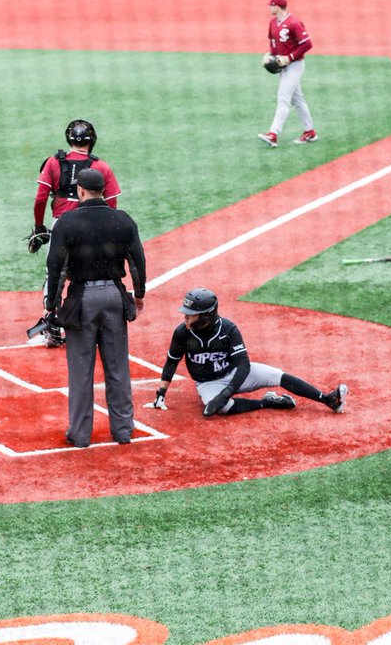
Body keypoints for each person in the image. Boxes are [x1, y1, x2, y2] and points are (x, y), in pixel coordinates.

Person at [45, 168, 146, 447]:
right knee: (117, 367)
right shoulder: (122, 219)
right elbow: (137, 261)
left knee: (81, 370)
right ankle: (123, 430)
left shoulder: (66, 222)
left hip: (82, 302)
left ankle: (80, 435)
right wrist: (138, 295)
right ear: (103, 190)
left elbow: (56, 267)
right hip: (114, 296)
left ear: (79, 191)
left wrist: (51, 305)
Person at [150, 288, 348, 417]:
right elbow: (172, 361)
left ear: (206, 316)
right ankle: (267, 402)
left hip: (236, 374)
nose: (185, 318)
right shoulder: (182, 333)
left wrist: (227, 392)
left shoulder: (228, 329)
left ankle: (328, 400)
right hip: (208, 383)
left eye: (191, 315)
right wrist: (161, 393)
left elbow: (244, 364)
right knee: (220, 408)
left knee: (277, 375)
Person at [29, 119, 122, 347]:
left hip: (62, 226)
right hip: (93, 228)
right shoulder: (101, 166)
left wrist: (40, 226)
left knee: (55, 276)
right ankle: (97, 325)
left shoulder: (53, 162)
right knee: (92, 274)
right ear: (93, 140)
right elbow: (112, 202)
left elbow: (41, 198)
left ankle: (52, 325)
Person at [258, 0, 318, 148]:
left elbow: (307, 44)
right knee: (297, 100)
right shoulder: (272, 23)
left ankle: (273, 134)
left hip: (295, 66)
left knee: (283, 98)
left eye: (271, 5)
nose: (270, 8)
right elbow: (273, 43)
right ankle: (310, 132)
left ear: (277, 7)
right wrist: (269, 56)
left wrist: (289, 57)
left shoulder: (294, 23)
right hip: (282, 66)